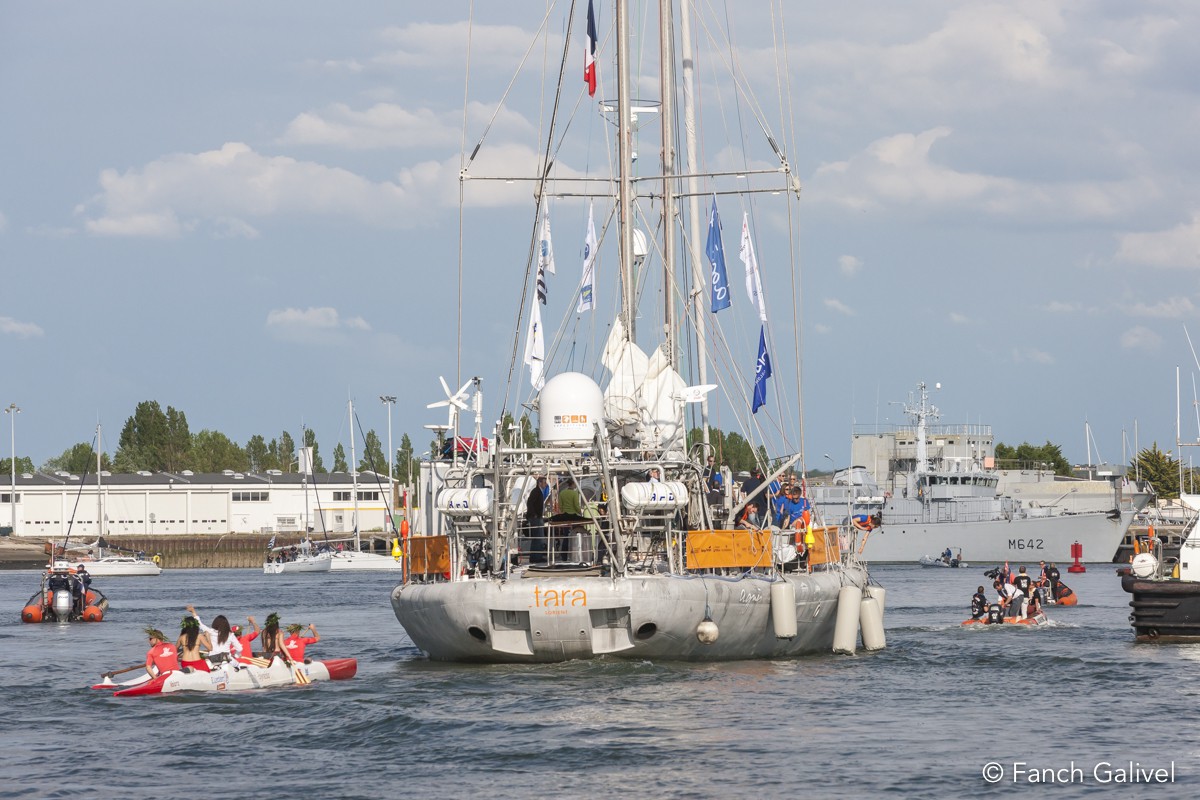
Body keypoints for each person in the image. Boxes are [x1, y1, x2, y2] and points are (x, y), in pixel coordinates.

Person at [525, 476, 548, 565]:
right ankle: (537, 557)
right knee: (539, 538)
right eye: (544, 483)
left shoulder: (538, 492)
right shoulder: (536, 491)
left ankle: (534, 557)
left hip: (537, 517)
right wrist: (534, 514)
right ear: (540, 483)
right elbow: (530, 502)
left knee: (536, 538)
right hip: (536, 518)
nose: (545, 485)